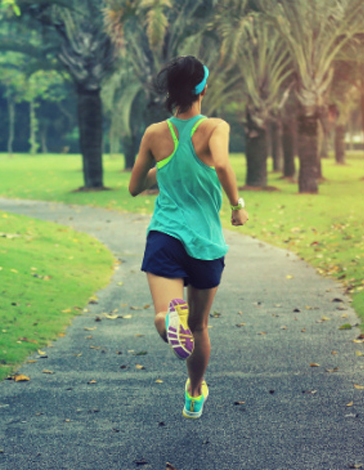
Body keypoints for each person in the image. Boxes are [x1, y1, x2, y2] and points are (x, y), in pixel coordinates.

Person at [128, 56, 249, 419]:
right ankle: (195, 392)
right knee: (198, 326)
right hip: (205, 243)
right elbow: (223, 164)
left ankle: (166, 323)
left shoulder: (154, 133)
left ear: (171, 92)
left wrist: (162, 167)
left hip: (165, 235)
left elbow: (135, 187)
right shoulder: (214, 127)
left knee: (169, 313)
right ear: (203, 89)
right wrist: (237, 205)